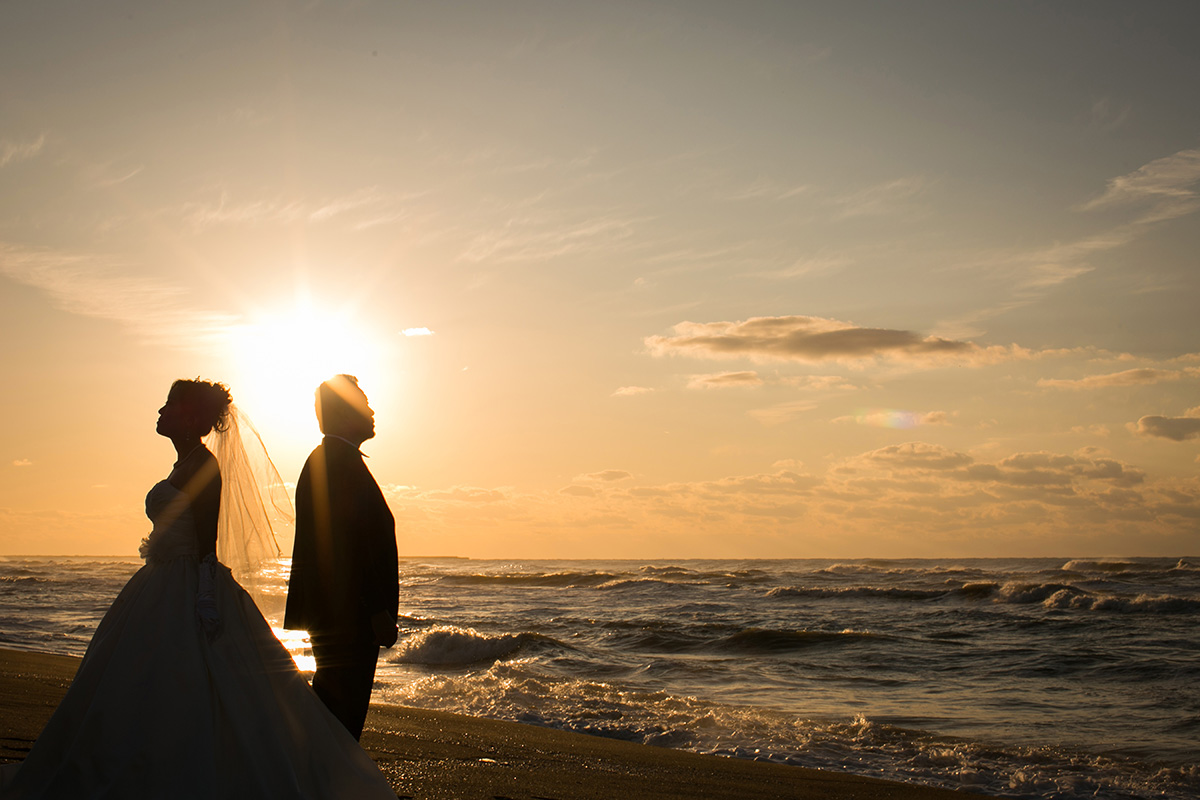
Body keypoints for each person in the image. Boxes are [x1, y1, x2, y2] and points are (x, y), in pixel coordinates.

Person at [0, 379, 396, 799]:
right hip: (164, 583)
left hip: (190, 583)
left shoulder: (206, 467)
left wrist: (206, 595)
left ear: (189, 416)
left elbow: (208, 545)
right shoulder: (189, 465)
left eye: (168, 404)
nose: (159, 412)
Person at [285, 375, 399, 741]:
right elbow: (345, 547)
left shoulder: (336, 459)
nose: (372, 411)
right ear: (345, 412)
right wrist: (374, 610)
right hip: (347, 616)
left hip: (344, 614)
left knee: (336, 716)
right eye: (364, 404)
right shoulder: (335, 463)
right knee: (339, 720)